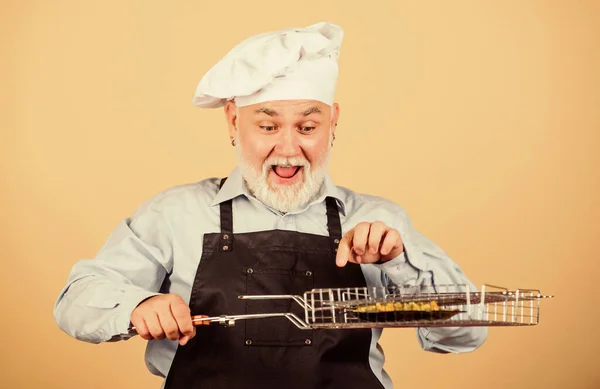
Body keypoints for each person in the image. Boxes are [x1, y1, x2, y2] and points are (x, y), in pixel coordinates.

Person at [54, 21, 487, 389]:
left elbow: (465, 334)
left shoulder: (377, 221)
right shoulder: (174, 214)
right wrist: (136, 305)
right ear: (232, 120)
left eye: (308, 125)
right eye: (267, 125)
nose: (288, 147)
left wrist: (399, 261)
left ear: (333, 122)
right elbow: (76, 300)